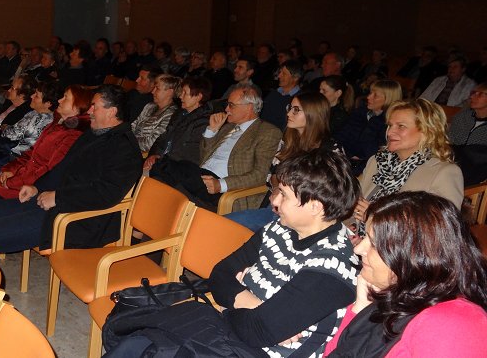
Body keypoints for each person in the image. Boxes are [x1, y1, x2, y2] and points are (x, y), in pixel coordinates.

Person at [106, 150, 360, 358]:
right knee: (138, 341)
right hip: (227, 333)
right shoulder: (280, 229)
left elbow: (257, 332)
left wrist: (232, 300)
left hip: (258, 352)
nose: (274, 202)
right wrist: (251, 303)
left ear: (315, 206)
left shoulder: (333, 270)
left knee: (154, 346)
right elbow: (220, 274)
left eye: (283, 195)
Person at [0, 84, 142, 256]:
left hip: (79, 218)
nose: (89, 111)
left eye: (94, 107)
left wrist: (58, 198)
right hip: (55, 204)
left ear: (111, 112)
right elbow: (63, 168)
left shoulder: (125, 148)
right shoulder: (92, 134)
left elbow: (105, 193)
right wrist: (37, 188)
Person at [325, 191, 487, 357]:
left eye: (373, 243)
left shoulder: (451, 325)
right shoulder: (399, 296)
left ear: (414, 256)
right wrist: (360, 307)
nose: (358, 249)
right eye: (365, 236)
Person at [149, 83, 281, 211]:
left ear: (249, 107)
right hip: (200, 176)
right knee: (163, 176)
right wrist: (211, 131)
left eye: (231, 105)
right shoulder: (227, 127)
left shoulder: (267, 132)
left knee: (164, 171)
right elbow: (203, 156)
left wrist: (221, 184)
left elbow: (260, 174)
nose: (226, 109)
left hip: (221, 186)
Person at [226, 92, 343, 231]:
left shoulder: (330, 150)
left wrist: (286, 197)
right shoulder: (288, 141)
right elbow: (273, 172)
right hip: (274, 208)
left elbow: (332, 192)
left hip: (302, 216)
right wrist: (277, 189)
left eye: (296, 110)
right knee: (224, 223)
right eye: (290, 108)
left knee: (230, 227)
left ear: (313, 114)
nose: (288, 113)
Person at [353, 98, 464, 238]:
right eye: (390, 125)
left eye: (401, 126)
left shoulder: (443, 172)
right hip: (360, 240)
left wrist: (378, 220)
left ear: (427, 131)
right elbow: (354, 204)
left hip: (400, 248)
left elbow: (443, 230)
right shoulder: (377, 161)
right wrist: (352, 230)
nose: (390, 132)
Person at [0, 85, 92, 200]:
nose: (59, 100)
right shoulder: (57, 123)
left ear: (77, 106)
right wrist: (11, 169)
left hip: (33, 187)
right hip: (23, 176)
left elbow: (50, 170)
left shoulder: (73, 135)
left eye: (65, 98)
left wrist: (14, 182)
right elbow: (31, 152)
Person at [0, 80, 57, 186]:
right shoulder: (35, 113)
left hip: (14, 155)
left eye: (36, 96)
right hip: (9, 147)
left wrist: (5, 128)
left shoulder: (42, 120)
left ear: (48, 103)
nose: (32, 96)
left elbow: (12, 134)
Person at [335, 79, 402, 176]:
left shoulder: (388, 125)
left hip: (364, 169)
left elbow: (374, 155)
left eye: (375, 95)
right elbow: (340, 135)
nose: (368, 97)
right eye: (370, 93)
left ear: (388, 99)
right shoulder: (360, 112)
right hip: (343, 160)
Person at [144, 76, 212, 171]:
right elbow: (162, 138)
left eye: (185, 93)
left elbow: (186, 153)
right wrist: (154, 155)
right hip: (161, 162)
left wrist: (159, 160)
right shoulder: (179, 113)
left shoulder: (204, 122)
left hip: (176, 169)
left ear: (198, 97)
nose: (180, 96)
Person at [449, 83, 487, 185]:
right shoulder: (462, 117)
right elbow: (450, 141)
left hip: (475, 172)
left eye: (480, 94)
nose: (472, 97)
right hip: (450, 162)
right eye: (473, 93)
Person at [130, 74, 179, 153]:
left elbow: (151, 144)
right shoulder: (149, 106)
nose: (152, 91)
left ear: (169, 92)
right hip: (132, 148)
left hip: (143, 154)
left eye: (157, 88)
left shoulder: (172, 114)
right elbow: (133, 126)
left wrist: (129, 140)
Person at [259, 60, 302, 130]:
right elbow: (262, 115)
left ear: (295, 78)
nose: (279, 76)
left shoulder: (300, 99)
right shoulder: (274, 93)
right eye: (280, 72)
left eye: (284, 74)